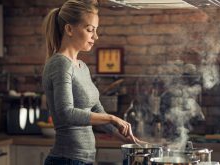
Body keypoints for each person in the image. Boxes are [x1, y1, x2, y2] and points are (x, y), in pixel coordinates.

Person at [42, 0, 144, 164]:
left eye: (95, 31)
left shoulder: (82, 67)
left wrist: (132, 142)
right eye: (90, 30)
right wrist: (112, 118)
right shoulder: (60, 64)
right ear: (69, 29)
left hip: (83, 160)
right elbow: (65, 113)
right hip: (66, 160)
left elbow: (98, 111)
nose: (95, 36)